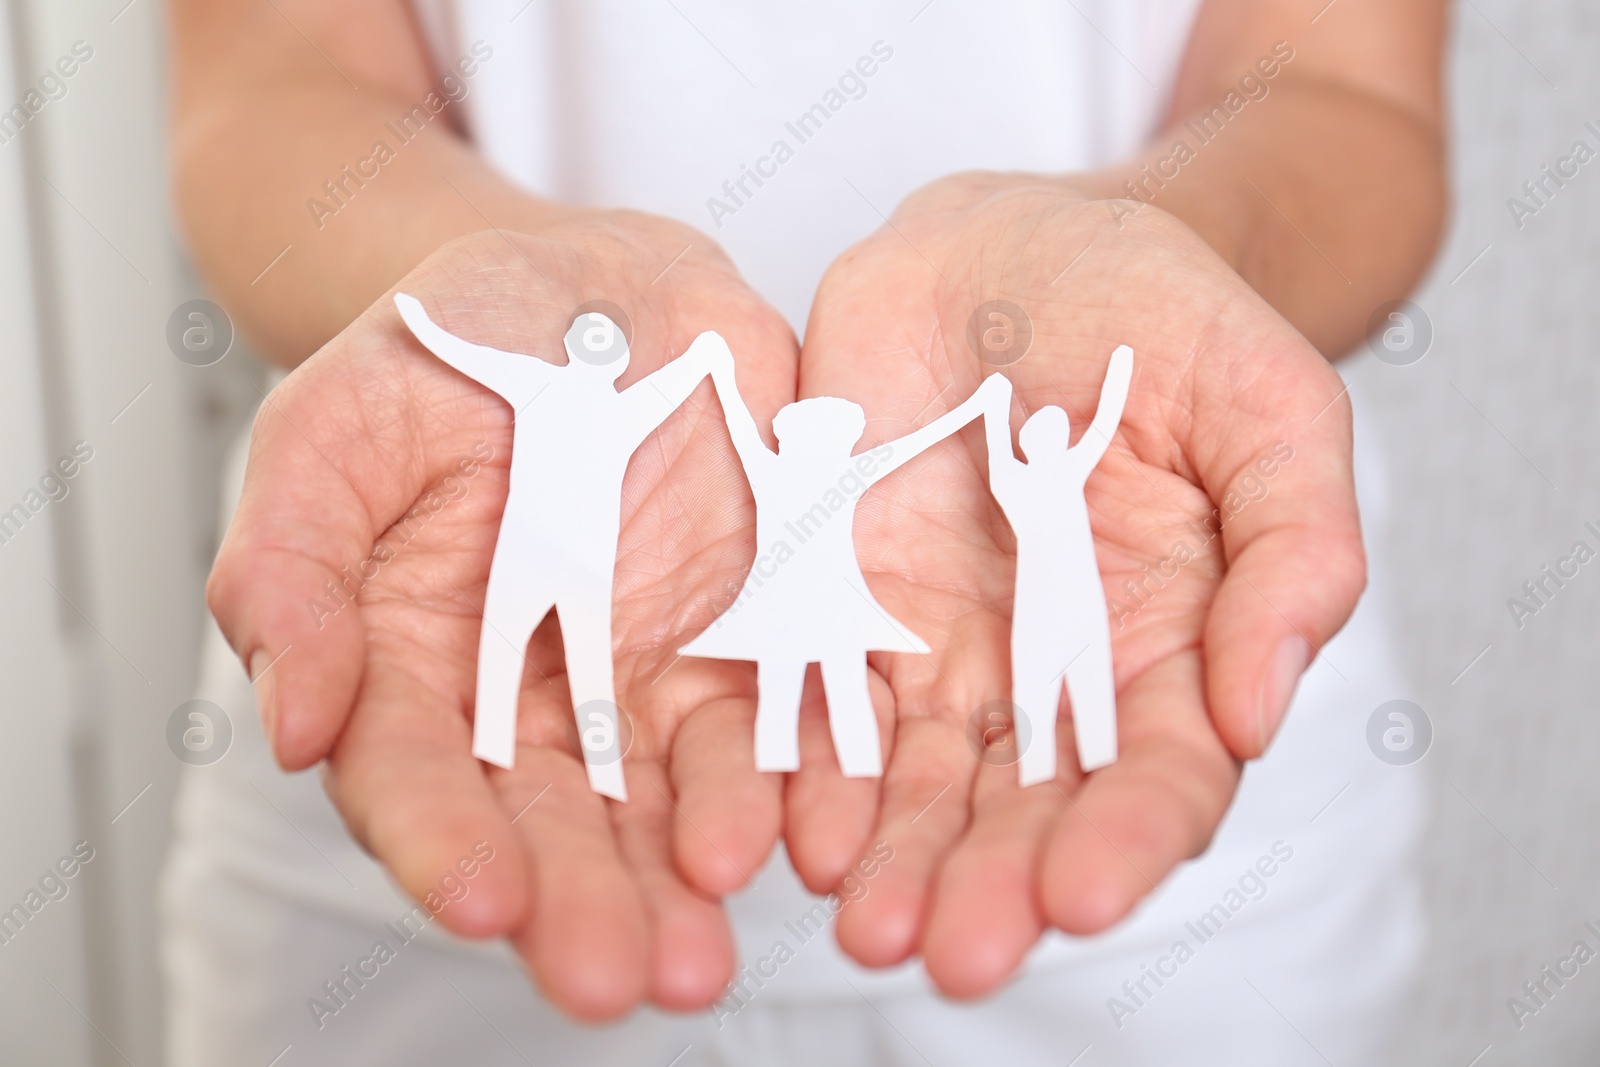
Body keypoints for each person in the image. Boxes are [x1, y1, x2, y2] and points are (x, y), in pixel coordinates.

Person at [163, 1, 1448, 1064]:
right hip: (427, 735)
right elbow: (277, 82)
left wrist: (1151, 251)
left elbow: (1348, 99)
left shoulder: (980, 457)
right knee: (556, 659)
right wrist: (482, 280)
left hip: (1173, 783)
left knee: (941, 685)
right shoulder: (636, 415)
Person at [392, 294, 730, 799]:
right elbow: (466, 354)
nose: (599, 346)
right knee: (515, 649)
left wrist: (702, 357)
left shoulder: (615, 405)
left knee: (575, 661)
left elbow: (677, 381)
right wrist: (420, 323)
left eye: (608, 340)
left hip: (574, 560)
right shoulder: (546, 383)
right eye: (592, 335)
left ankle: (596, 773)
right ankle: (500, 749)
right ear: (572, 344)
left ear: (618, 360)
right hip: (536, 551)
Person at [682, 359, 1004, 778]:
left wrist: (721, 372)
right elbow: (917, 441)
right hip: (820, 603)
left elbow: (740, 423)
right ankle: (851, 762)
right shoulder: (839, 471)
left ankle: (831, 761)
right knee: (828, 687)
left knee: (791, 688)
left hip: (799, 602)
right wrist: (974, 406)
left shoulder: (786, 469)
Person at [978, 351, 1133, 786]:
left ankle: (1068, 763)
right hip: (1058, 608)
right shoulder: (1058, 470)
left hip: (1056, 609)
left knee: (1058, 692)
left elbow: (1103, 422)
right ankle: (1056, 766)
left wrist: (995, 404)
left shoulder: (1025, 477)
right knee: (1057, 692)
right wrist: (1119, 366)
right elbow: (1104, 423)